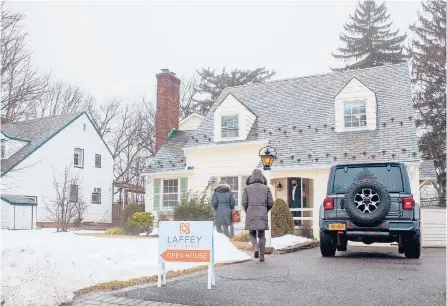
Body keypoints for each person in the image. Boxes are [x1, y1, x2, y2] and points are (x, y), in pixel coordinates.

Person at [242, 169, 274, 262]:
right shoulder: (266, 188)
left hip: (250, 212)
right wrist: (265, 209)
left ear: (251, 178)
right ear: (262, 178)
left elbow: (244, 203)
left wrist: (247, 210)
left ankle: (256, 247)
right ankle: (262, 255)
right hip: (262, 212)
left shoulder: (246, 188)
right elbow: (270, 202)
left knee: (252, 233)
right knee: (262, 235)